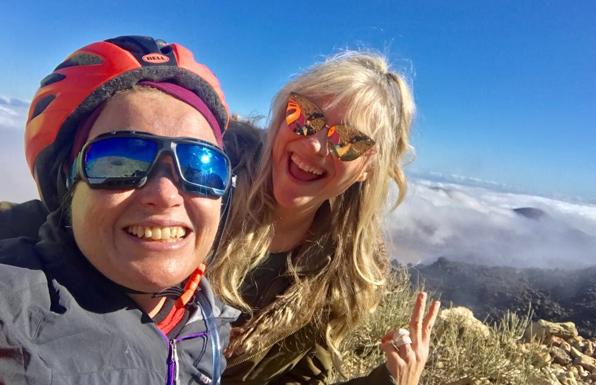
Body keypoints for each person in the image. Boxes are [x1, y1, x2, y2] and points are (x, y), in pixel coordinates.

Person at [0, 36, 239, 385]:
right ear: (67, 184)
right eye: (119, 160)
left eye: (200, 164)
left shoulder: (208, 320)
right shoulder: (13, 318)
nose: (164, 194)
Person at [210, 53, 441, 385]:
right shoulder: (202, 181)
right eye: (305, 115)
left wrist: (390, 379)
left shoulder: (338, 269)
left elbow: (299, 378)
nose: (315, 144)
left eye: (346, 140)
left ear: (368, 167)